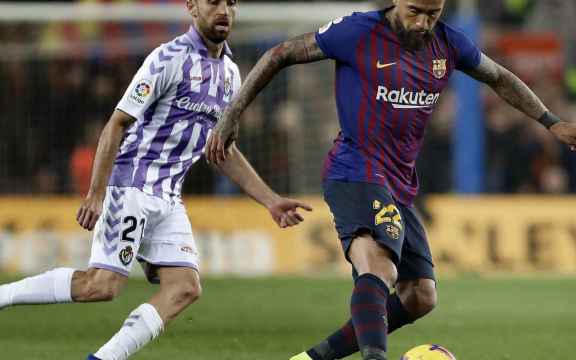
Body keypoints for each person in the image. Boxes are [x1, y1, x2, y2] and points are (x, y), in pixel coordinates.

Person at [205, 1, 576, 359]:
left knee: (420, 296)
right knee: (379, 267)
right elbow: (279, 53)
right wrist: (232, 114)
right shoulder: (357, 31)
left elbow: (500, 78)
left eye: (433, 13)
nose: (422, 23)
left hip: (398, 183)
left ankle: (309, 359)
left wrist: (550, 121)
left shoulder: (449, 43)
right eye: (414, 11)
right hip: (355, 170)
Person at [0, 1, 312, 359]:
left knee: (184, 289)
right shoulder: (167, 59)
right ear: (191, 7)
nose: (223, 11)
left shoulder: (231, 74)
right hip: (131, 186)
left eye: (231, 3)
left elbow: (221, 149)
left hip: (168, 198)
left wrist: (270, 200)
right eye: (213, 2)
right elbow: (116, 123)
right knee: (101, 286)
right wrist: (96, 192)